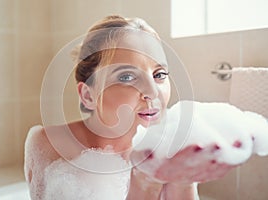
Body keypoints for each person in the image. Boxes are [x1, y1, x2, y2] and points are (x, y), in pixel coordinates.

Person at [24, 15, 236, 200]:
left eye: (159, 74)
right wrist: (145, 183)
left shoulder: (170, 150)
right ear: (88, 95)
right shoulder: (48, 146)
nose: (153, 92)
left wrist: (183, 181)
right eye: (127, 76)